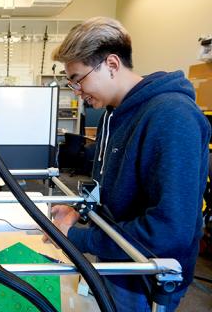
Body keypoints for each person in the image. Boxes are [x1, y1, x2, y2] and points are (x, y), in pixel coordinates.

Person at [50, 17, 210, 311]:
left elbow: (169, 231)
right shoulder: (116, 114)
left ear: (111, 64)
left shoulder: (172, 117)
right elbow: (118, 193)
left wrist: (80, 238)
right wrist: (80, 213)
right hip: (117, 261)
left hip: (145, 277)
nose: (77, 90)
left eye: (78, 79)